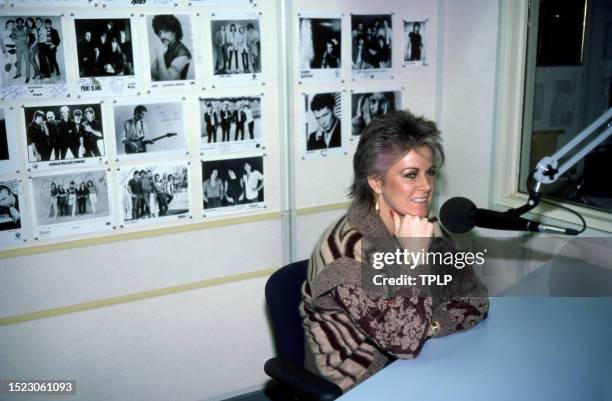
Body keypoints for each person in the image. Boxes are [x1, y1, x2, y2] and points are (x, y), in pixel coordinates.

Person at [300, 110, 489, 391]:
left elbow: (475, 297)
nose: (426, 186)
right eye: (410, 175)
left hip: (421, 360)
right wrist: (414, 258)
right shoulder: (345, 252)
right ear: (376, 182)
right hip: (358, 378)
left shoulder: (425, 225)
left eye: (430, 172)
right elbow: (405, 340)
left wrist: (432, 326)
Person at [150, 15, 191, 81]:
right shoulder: (167, 48)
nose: (161, 36)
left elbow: (167, 81)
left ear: (174, 31)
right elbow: (152, 71)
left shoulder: (182, 53)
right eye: (159, 32)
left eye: (165, 31)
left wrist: (160, 55)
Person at [10, 17, 29, 83]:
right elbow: (12, 38)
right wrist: (20, 36)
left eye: (21, 22)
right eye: (18, 22)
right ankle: (18, 74)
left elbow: (25, 38)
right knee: (19, 61)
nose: (20, 23)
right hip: (18, 47)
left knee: (27, 62)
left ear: (22, 23)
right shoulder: (14, 29)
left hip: (25, 47)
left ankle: (27, 77)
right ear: (17, 22)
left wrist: (17, 37)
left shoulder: (25, 28)